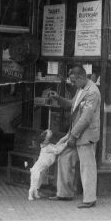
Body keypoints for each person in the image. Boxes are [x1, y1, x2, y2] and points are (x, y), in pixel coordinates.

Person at [48, 66, 101, 208]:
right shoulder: (81, 88)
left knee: (87, 166)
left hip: (86, 135)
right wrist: (59, 98)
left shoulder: (93, 92)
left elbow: (86, 118)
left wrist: (72, 136)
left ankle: (90, 199)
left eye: (73, 81)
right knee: (64, 157)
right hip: (76, 133)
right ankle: (64, 193)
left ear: (81, 77)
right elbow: (73, 104)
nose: (72, 83)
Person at [28, 129, 67, 201]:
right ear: (45, 138)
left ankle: (35, 193)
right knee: (34, 182)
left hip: (40, 167)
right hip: (37, 168)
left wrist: (63, 141)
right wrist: (65, 144)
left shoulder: (46, 145)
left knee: (36, 181)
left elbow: (55, 146)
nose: (50, 132)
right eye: (48, 133)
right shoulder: (47, 147)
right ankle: (30, 195)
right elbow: (57, 150)